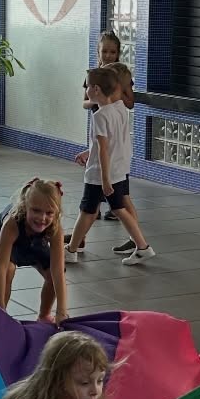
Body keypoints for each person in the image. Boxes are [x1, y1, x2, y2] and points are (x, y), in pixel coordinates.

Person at [64, 67, 154, 266]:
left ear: (96, 89)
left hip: (100, 174)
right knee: (118, 209)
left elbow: (104, 149)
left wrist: (105, 179)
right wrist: (89, 152)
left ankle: (71, 250)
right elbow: (111, 142)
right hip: (119, 170)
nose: (86, 90)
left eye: (88, 86)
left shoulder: (99, 116)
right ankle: (141, 246)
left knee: (88, 210)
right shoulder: (120, 108)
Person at [0, 178, 68, 325]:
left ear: (56, 212)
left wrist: (62, 311)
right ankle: (2, 312)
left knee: (52, 274)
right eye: (36, 210)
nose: (42, 218)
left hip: (33, 241)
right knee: (8, 269)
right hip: (4, 239)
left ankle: (44, 315)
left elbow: (58, 270)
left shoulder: (55, 227)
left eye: (49, 213)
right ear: (25, 206)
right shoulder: (12, 223)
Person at [82, 32, 133, 222]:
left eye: (112, 52)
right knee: (96, 167)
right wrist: (97, 99)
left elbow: (130, 102)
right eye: (104, 51)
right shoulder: (93, 76)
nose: (108, 55)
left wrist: (114, 96)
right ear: (98, 51)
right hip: (100, 126)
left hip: (113, 129)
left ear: (118, 53)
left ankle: (110, 208)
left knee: (114, 176)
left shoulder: (121, 75)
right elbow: (85, 102)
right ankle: (93, 208)